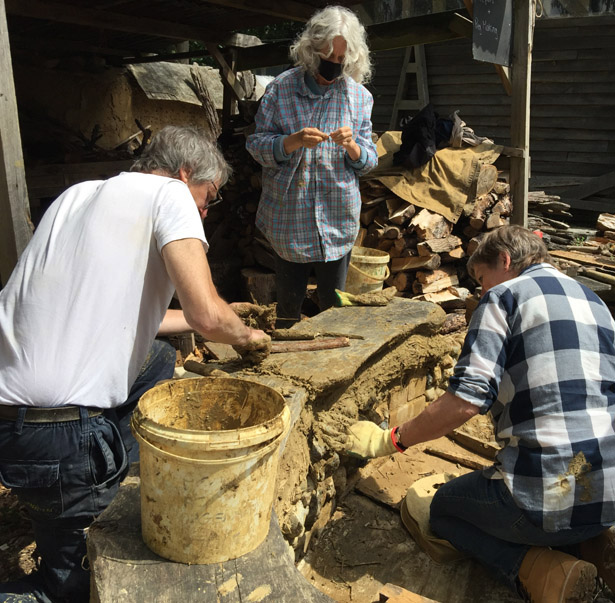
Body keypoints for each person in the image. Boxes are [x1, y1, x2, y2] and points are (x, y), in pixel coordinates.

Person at [0, 125, 271, 603]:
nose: (205, 213)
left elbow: (121, 313)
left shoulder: (78, 196)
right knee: (75, 587)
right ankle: (72, 533)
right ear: (185, 175)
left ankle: (105, 481)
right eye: (208, 199)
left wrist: (221, 315)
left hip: (13, 422)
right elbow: (206, 316)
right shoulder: (171, 194)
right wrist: (244, 335)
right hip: (60, 436)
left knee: (158, 360)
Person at [343, 225, 615, 603]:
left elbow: (465, 401)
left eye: (482, 278)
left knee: (442, 513)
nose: (481, 290)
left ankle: (545, 573)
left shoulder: (504, 297)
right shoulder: (594, 302)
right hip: (606, 497)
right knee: (562, 487)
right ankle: (592, 545)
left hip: (542, 502)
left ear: (504, 260)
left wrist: (391, 439)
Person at [246, 5, 378, 328]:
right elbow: (255, 145)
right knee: (288, 314)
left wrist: (352, 147)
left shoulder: (358, 98)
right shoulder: (281, 90)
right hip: (291, 222)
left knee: (336, 313)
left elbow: (370, 161)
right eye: (326, 57)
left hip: (337, 220)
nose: (332, 67)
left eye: (340, 61)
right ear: (310, 49)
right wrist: (289, 142)